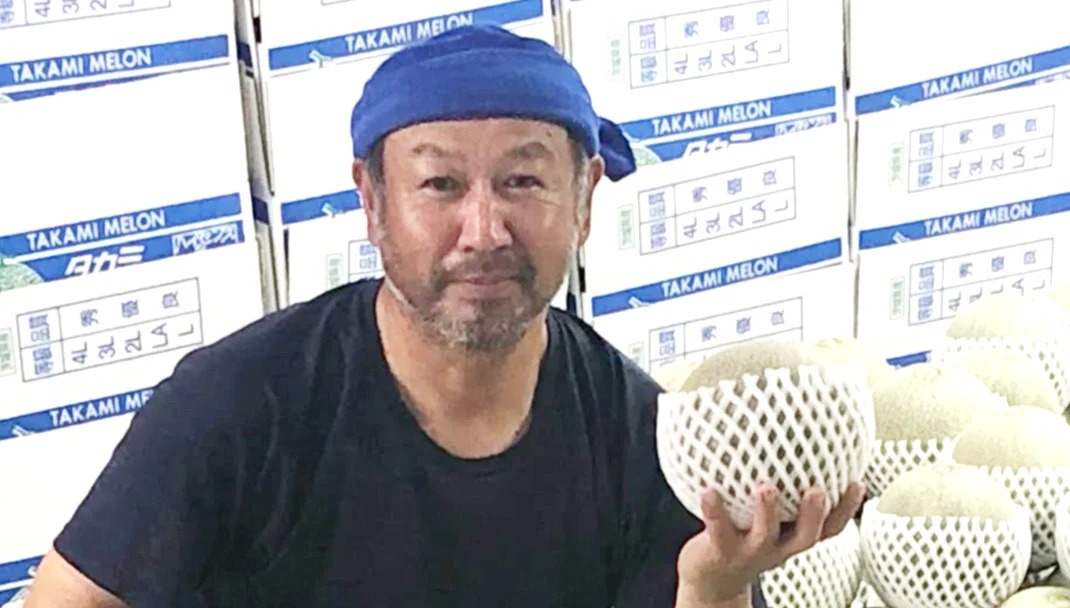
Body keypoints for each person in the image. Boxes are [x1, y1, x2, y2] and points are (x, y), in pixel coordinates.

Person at [22, 25, 863, 607]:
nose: (484, 230)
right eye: (441, 185)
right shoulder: (241, 406)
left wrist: (714, 585)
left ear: (584, 200)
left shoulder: (640, 437)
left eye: (524, 181)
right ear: (372, 202)